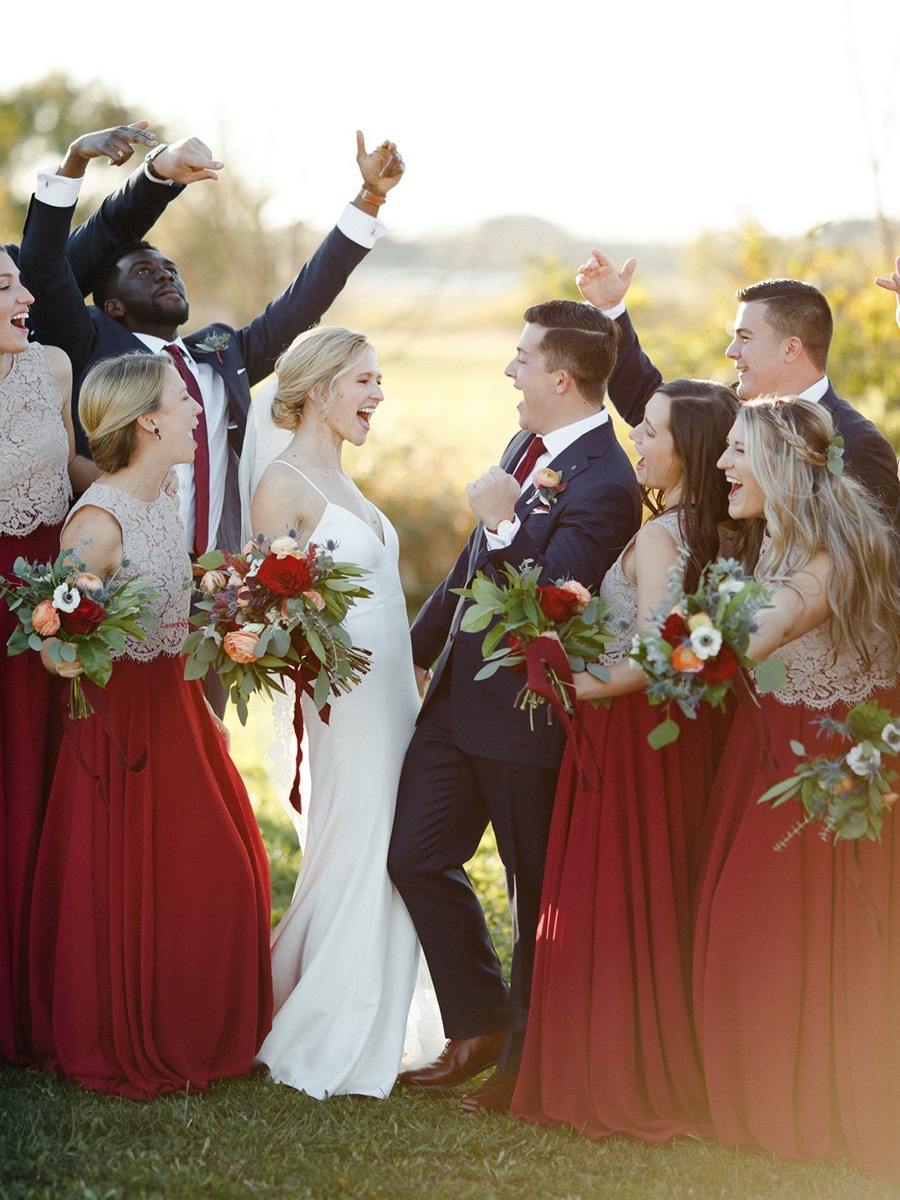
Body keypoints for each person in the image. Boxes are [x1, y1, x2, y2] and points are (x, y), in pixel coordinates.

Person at [388, 301, 643, 1113]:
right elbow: (472, 569)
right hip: (459, 704)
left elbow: (549, 598)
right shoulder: (524, 447)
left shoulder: (609, 482)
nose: (510, 369)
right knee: (416, 857)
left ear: (561, 378)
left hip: (530, 715)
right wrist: (415, 649)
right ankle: (480, 1022)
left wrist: (501, 519)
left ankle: (521, 1066)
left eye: (523, 357)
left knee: (536, 891)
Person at [28, 353, 272, 1098]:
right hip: (124, 721)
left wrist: (229, 610)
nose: (198, 411)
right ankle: (136, 1023)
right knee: (174, 872)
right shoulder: (99, 523)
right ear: (149, 421)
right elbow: (52, 631)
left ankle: (196, 1017)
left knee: (229, 867)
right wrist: (59, 653)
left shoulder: (162, 497)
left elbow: (172, 600)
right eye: (183, 401)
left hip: (176, 705)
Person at [511, 379, 738, 1139]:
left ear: (688, 453)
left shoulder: (667, 537)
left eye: (650, 432)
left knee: (616, 891)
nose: (637, 440)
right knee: (652, 890)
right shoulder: (716, 530)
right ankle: (643, 1054)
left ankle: (615, 1068)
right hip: (673, 731)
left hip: (633, 730)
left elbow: (659, 650)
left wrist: (571, 682)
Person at [19, 129, 405, 556]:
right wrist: (74, 163)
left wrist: (369, 198)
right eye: (143, 271)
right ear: (110, 305)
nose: (166, 274)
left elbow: (303, 303)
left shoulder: (224, 355)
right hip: (119, 580)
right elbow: (43, 266)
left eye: (170, 268)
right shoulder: (86, 346)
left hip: (216, 586)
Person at [692, 397, 900, 1179]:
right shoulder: (785, 541)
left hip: (821, 777)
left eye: (737, 450)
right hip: (776, 750)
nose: (722, 464)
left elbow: (748, 641)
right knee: (753, 926)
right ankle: (762, 1099)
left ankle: (800, 1102)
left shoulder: (831, 556)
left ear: (779, 463)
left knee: (780, 932)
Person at [249, 326, 443, 1098]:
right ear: (323, 387)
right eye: (366, 381)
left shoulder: (350, 486)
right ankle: (323, 1021)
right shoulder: (283, 484)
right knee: (355, 847)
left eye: (379, 381)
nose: (377, 396)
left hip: (393, 700)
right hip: (343, 704)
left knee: (388, 845)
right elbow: (266, 610)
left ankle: (382, 1015)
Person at [576, 251, 900, 515]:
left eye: (745, 338)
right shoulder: (728, 411)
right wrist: (609, 309)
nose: (731, 352)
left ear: (791, 348)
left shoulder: (859, 444)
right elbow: (650, 406)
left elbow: (877, 564)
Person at [0, 248, 88, 1065]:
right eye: (4, 288)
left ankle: (41, 989)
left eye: (20, 280)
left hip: (43, 597)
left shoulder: (52, 366)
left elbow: (70, 469)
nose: (27, 296)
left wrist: (139, 492)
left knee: (41, 772)